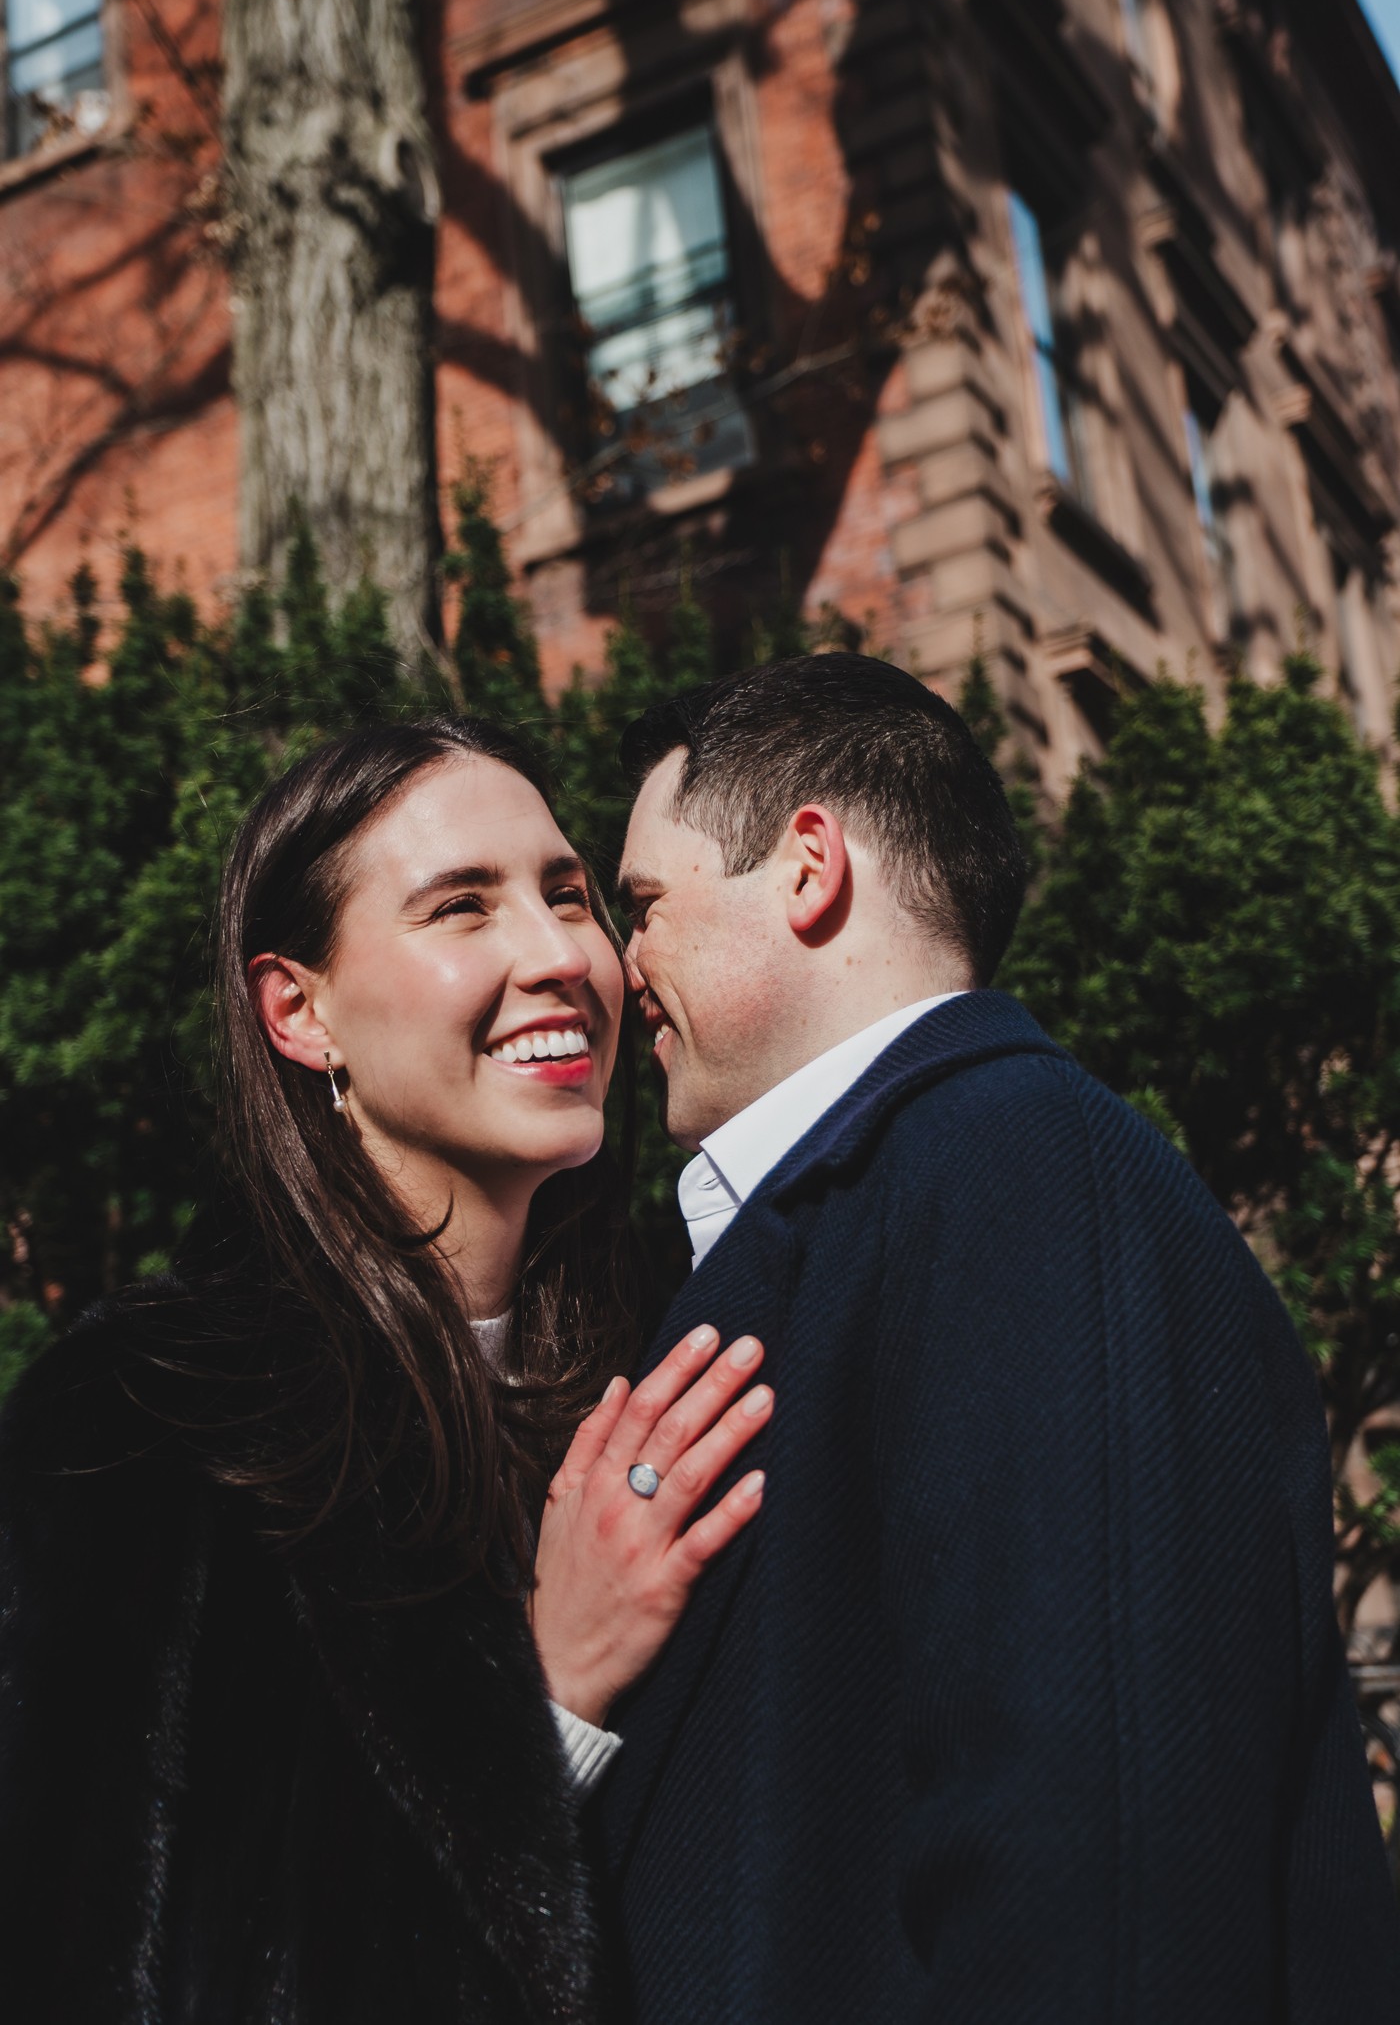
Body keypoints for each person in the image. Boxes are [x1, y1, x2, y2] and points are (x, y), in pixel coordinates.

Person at [599, 652, 1400, 2022]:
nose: (620, 970)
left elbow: (1098, 1844)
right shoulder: (907, 1192)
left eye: (644, 906)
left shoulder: (1015, 1170)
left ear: (808, 868)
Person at [0, 716, 773, 2025]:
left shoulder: (677, 1352)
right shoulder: (143, 1412)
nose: (559, 956)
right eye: (461, 909)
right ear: (299, 1013)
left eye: (567, 893)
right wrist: (552, 1703)